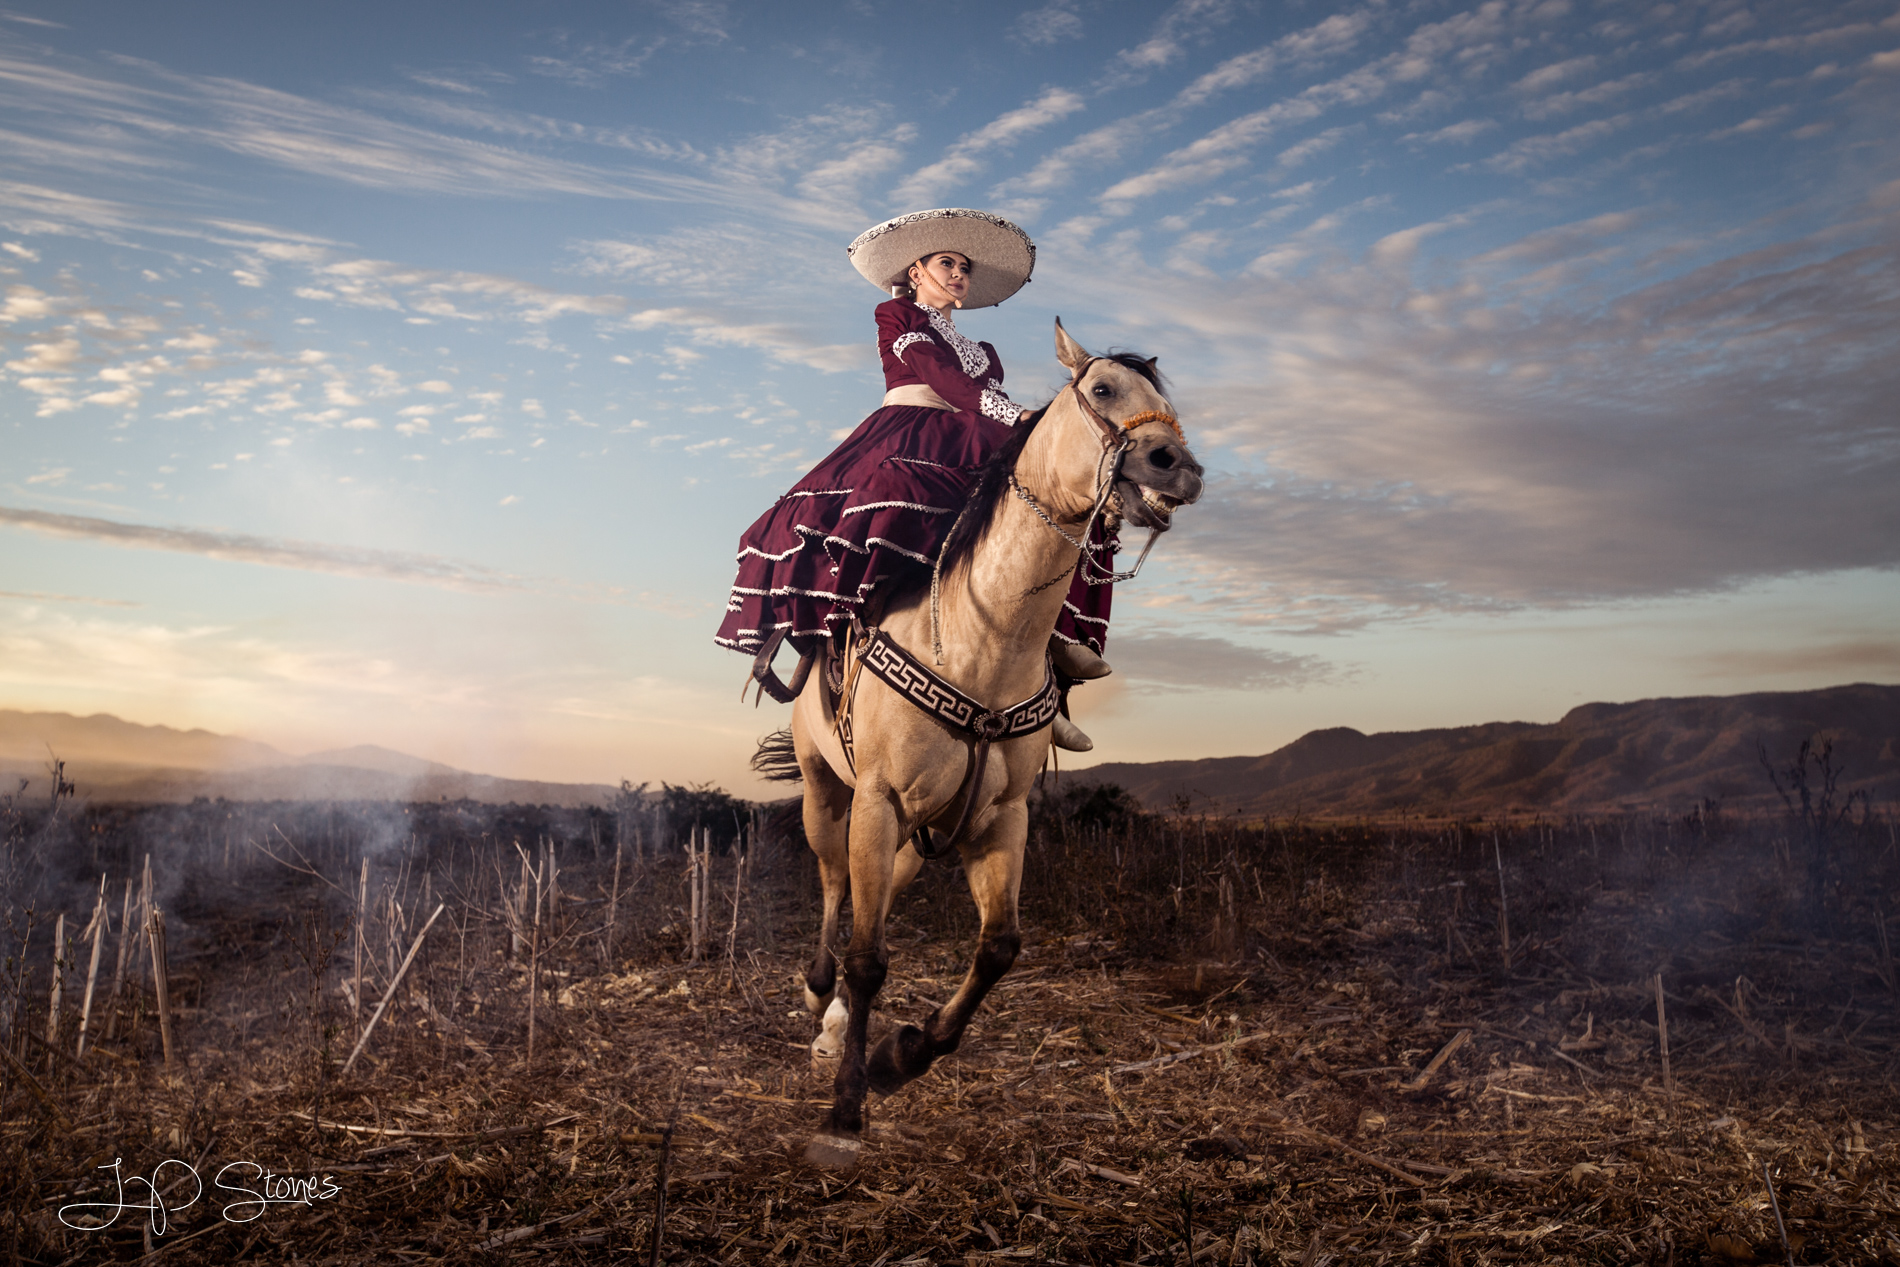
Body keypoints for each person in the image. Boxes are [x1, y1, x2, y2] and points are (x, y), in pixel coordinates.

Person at [714, 208, 1115, 750]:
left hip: (976, 434)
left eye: (964, 268)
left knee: (1060, 513)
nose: (958, 274)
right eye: (946, 263)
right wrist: (1014, 414)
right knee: (891, 497)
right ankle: (853, 650)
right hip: (911, 430)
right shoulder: (896, 316)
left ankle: (1053, 676)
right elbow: (937, 375)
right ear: (916, 271)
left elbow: (969, 386)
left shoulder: (986, 352)